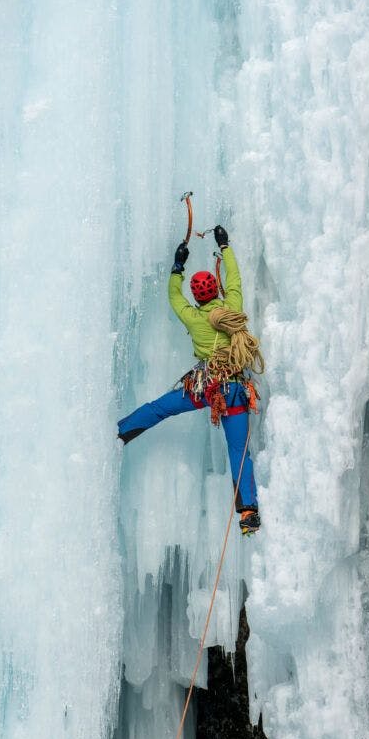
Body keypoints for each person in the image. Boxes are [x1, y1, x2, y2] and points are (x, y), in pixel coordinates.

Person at [118, 225, 261, 535]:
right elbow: (234, 279)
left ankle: (121, 432)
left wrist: (177, 266)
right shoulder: (232, 308)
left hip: (206, 388)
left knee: (160, 408)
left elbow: (174, 297)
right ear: (216, 290)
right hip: (234, 389)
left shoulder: (193, 317)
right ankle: (248, 512)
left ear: (197, 296)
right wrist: (225, 246)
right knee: (238, 450)